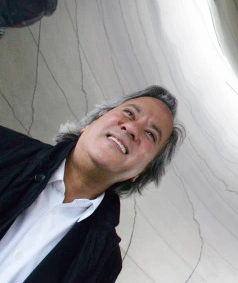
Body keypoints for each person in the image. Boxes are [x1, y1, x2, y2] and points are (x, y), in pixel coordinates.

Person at [0, 86, 184, 283]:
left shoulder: (103, 264)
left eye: (150, 134)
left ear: (140, 172)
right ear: (92, 122)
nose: (131, 129)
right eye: (129, 113)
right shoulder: (5, 147)